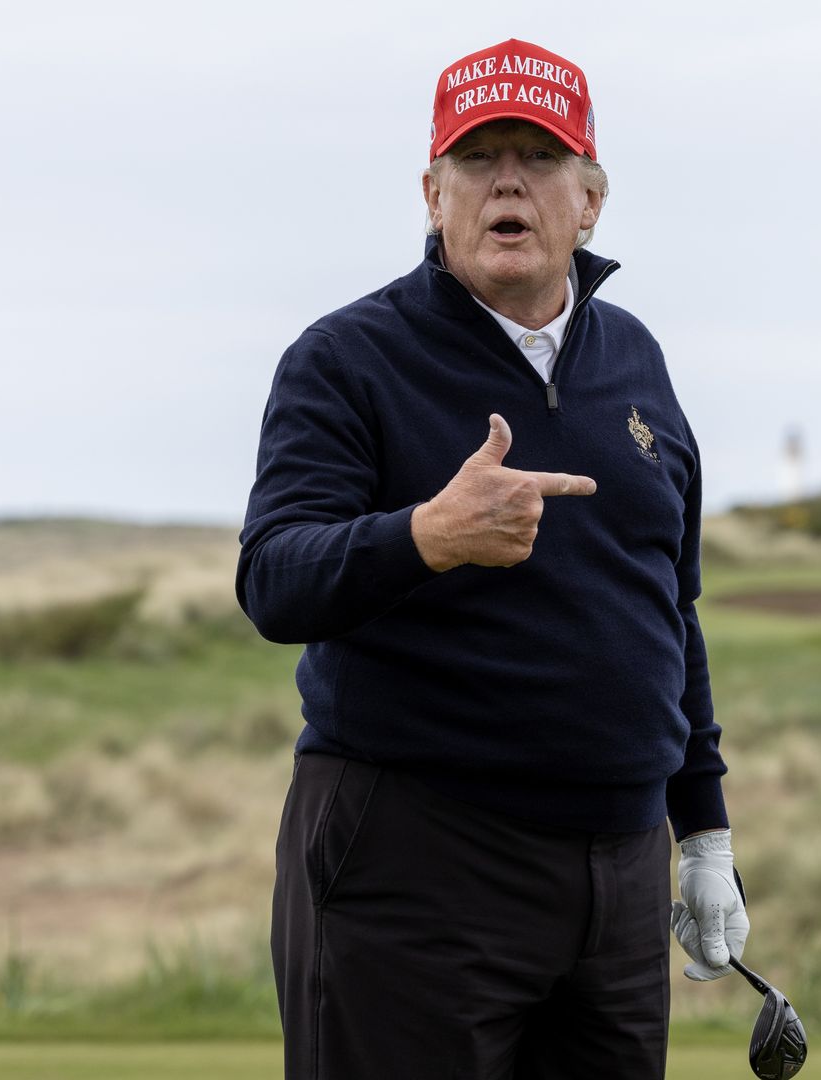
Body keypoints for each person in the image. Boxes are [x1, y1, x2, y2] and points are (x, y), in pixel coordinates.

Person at [236, 37, 750, 1079]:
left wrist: (704, 833)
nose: (508, 180)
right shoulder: (348, 360)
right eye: (478, 158)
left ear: (590, 198)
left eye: (539, 155)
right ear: (433, 193)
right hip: (415, 862)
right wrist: (426, 535)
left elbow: (667, 610)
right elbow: (274, 579)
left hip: (617, 876)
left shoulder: (637, 361)